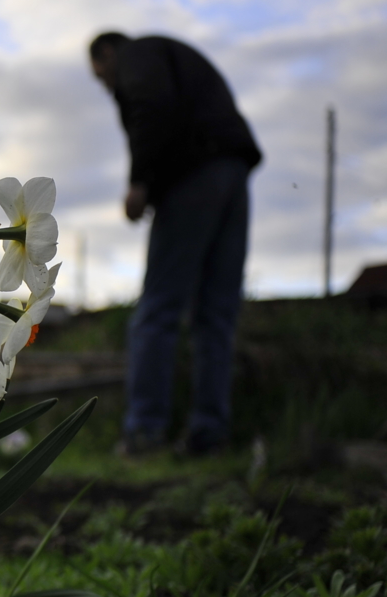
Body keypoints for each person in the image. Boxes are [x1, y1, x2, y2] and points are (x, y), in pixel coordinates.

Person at [88, 31, 262, 456]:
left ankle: (144, 431)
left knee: (159, 310)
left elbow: (151, 104)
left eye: (102, 75)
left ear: (108, 52)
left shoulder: (138, 56)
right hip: (232, 173)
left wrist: (140, 182)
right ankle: (209, 434)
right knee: (215, 313)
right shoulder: (170, 55)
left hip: (193, 176)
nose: (107, 86)